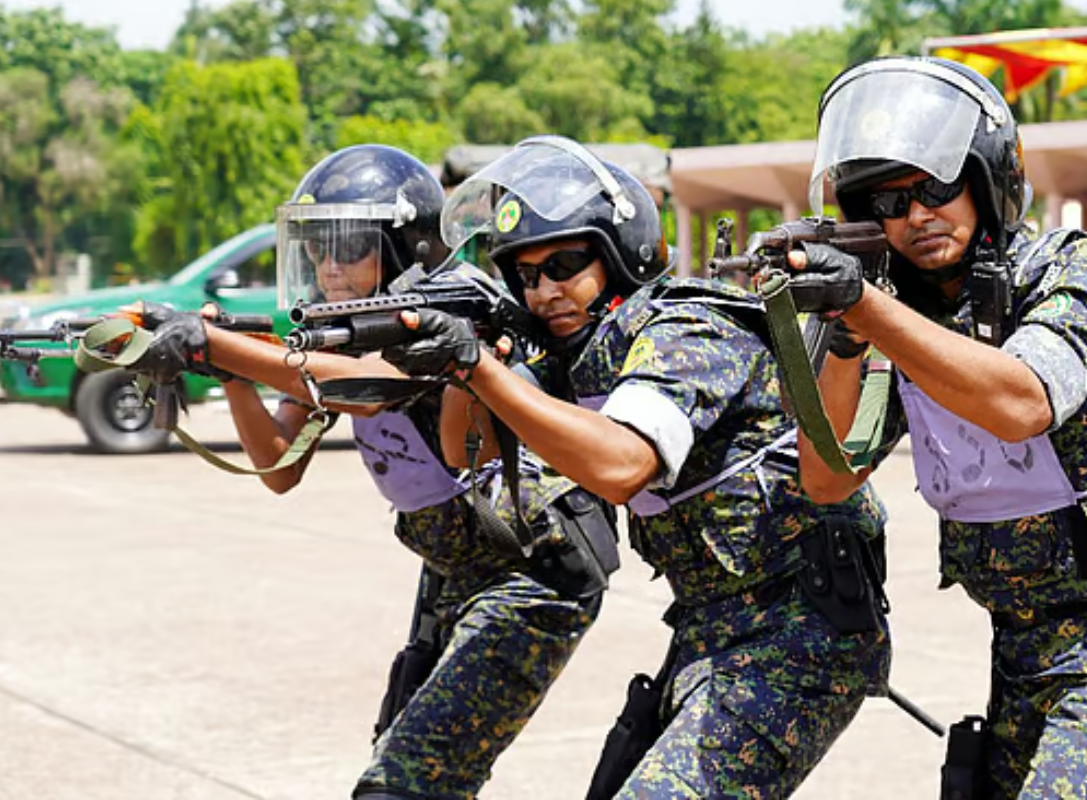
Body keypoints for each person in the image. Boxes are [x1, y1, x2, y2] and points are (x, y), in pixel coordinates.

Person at [387, 135, 892, 798]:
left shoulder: (686, 326)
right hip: (707, 628)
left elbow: (625, 465)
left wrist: (480, 368)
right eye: (527, 275)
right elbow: (464, 449)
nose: (545, 291)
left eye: (566, 263)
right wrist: (465, 364)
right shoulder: (579, 355)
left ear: (617, 255)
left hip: (800, 630)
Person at [125, 143, 614, 800]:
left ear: (403, 244)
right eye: (318, 248)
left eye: (349, 246)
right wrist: (233, 373)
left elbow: (377, 382)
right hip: (453, 572)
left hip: (533, 571)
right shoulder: (337, 332)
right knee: (402, 760)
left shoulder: (452, 309)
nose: (329, 267)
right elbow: (277, 467)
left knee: (403, 783)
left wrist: (215, 342)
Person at [796, 56, 1087, 797]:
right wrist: (846, 338)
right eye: (888, 200)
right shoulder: (902, 320)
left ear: (984, 180)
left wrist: (864, 308)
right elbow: (827, 476)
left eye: (936, 188)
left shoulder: (1082, 274)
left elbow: (1021, 402)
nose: (916, 216)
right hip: (1022, 648)